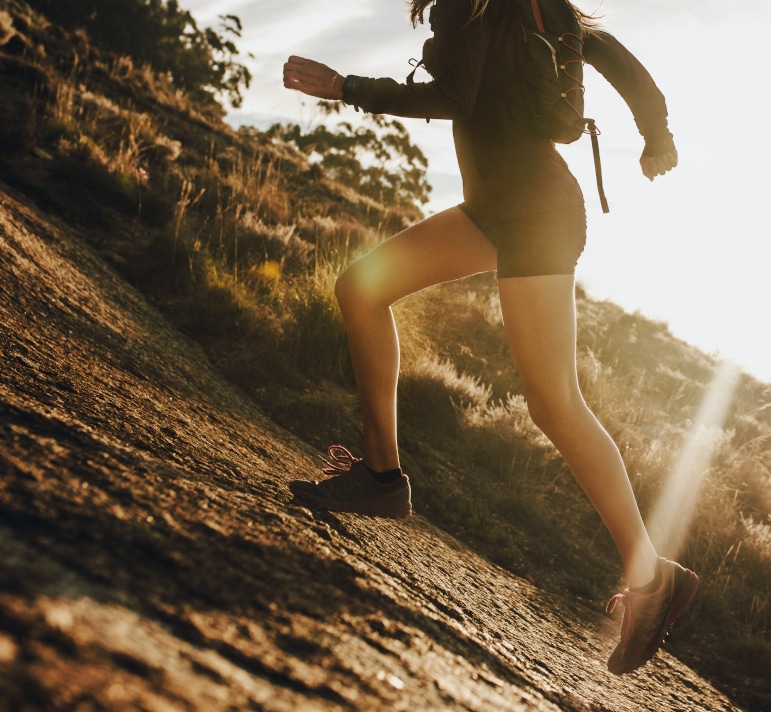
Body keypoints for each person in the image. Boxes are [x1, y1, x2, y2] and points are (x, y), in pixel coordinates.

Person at [283, 0, 698, 676]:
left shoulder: (473, 4)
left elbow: (453, 95)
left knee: (554, 403)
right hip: (502, 209)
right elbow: (616, 55)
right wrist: (657, 135)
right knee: (361, 289)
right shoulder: (529, 7)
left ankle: (653, 578)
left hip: (532, 214)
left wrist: (344, 88)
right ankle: (383, 479)